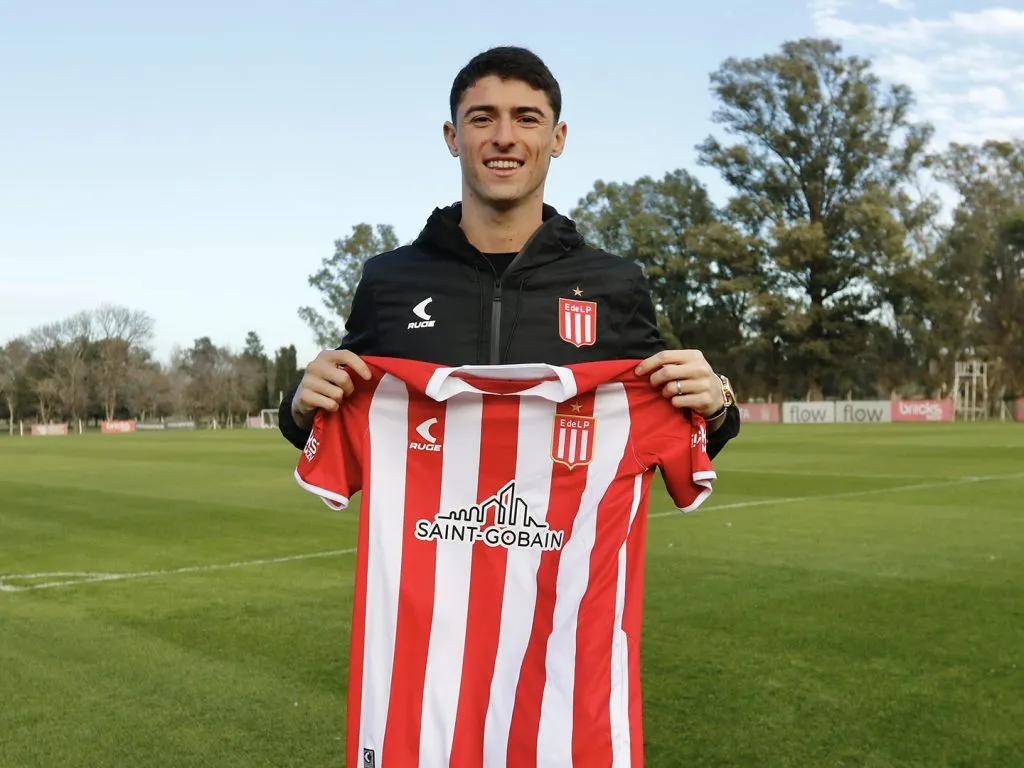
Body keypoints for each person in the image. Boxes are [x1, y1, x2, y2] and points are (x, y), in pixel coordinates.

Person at [278, 44, 739, 459]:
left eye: (526, 118)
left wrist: (716, 408)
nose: (503, 137)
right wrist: (298, 408)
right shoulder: (390, 282)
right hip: (427, 551)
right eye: (482, 118)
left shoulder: (615, 284)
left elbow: (675, 426)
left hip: (561, 554)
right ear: (452, 136)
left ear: (556, 138)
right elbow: (336, 414)